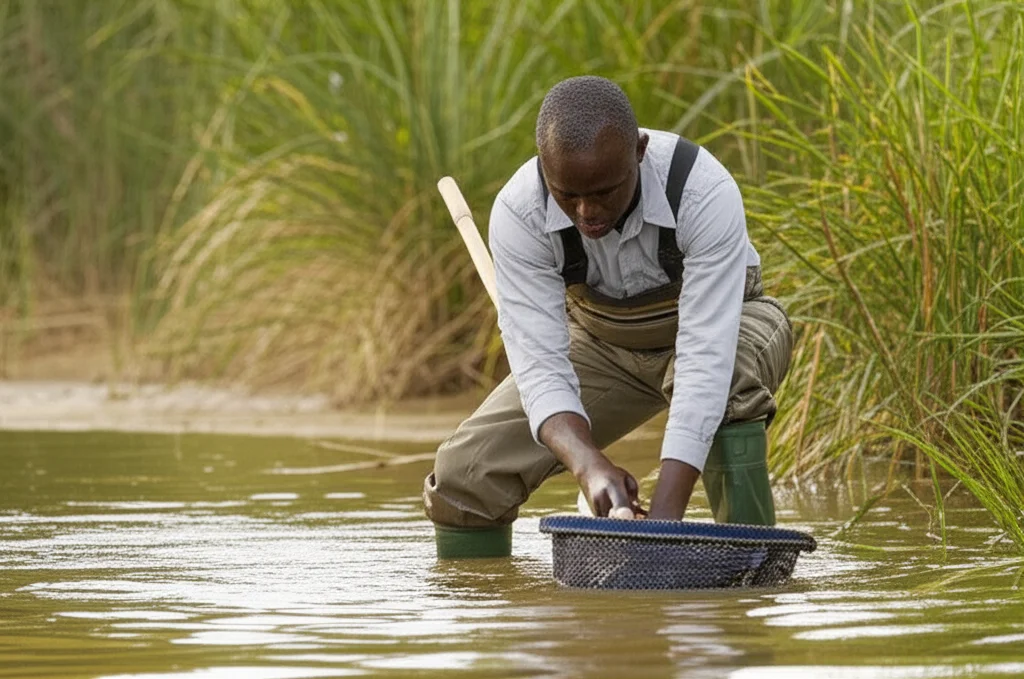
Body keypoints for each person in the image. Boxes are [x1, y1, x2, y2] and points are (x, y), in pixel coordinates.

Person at [423, 75, 793, 558]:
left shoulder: (702, 191)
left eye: (604, 192)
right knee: (464, 476)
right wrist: (589, 466)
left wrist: (661, 528)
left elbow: (705, 363)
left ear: (639, 151)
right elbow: (542, 371)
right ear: (544, 168)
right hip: (604, 346)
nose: (587, 212)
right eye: (567, 195)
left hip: (730, 329)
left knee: (729, 386)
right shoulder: (520, 212)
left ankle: (750, 570)